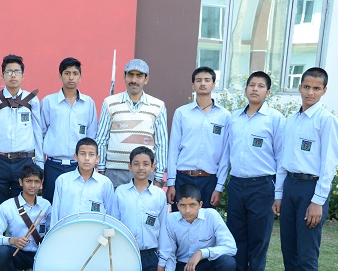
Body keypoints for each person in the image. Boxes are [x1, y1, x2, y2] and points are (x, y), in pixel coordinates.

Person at [259, 67, 338, 271]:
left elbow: (329, 165)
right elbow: (284, 160)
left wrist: (318, 201)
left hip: (311, 189)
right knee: (289, 249)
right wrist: (279, 194)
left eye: (316, 88)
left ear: (324, 91)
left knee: (307, 255)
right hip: (291, 187)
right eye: (306, 87)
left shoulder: (326, 121)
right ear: (300, 87)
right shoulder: (291, 120)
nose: (310, 92)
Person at [219, 71, 285, 271]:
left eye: (260, 86)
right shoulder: (234, 118)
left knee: (258, 239)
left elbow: (281, 157)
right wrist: (221, 184)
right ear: (246, 89)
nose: (255, 89)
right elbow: (226, 154)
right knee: (237, 236)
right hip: (237, 184)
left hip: (263, 186)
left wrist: (279, 193)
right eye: (251, 85)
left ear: (268, 92)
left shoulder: (275, 119)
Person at [0, 54, 42, 271]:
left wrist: (39, 167)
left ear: (23, 75)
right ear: (2, 74)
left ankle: (17, 263)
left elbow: (38, 134)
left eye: (17, 72)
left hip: (24, 163)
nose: (13, 75)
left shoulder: (33, 101)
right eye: (8, 72)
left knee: (21, 214)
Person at [157, 184, 236, 271]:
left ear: (200, 204)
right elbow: (169, 252)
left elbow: (231, 247)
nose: (187, 210)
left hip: (208, 263)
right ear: (177, 205)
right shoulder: (170, 220)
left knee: (228, 263)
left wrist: (201, 253)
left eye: (192, 205)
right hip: (184, 266)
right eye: (182, 205)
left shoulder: (211, 215)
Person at [95, 59, 168, 188]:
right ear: (124, 77)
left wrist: (158, 177)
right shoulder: (110, 103)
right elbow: (101, 139)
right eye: (130, 75)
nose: (134, 80)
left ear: (146, 79)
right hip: (114, 173)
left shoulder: (158, 106)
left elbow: (161, 143)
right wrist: (101, 170)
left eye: (139, 76)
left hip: (144, 173)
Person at [166, 66, 230, 211]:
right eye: (198, 80)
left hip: (209, 180)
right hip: (183, 178)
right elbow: (173, 149)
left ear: (214, 84)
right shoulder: (181, 113)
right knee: (180, 219)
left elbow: (225, 154)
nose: (202, 83)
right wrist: (171, 183)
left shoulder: (225, 116)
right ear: (193, 85)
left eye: (207, 80)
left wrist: (219, 187)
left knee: (205, 221)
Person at [0, 164, 51, 271]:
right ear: (20, 182)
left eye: (36, 181)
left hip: (40, 255)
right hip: (18, 254)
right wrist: (13, 240)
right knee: (2, 251)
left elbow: (52, 232)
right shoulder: (7, 206)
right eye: (28, 181)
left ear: (41, 183)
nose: (33, 185)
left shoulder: (46, 205)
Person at [40, 57, 97, 203]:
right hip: (53, 166)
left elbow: (91, 137)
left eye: (75, 73)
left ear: (80, 77)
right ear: (60, 76)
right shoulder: (49, 102)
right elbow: (41, 134)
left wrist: (91, 165)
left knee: (77, 205)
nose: (71, 77)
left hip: (79, 166)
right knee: (51, 206)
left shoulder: (88, 103)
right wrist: (40, 166)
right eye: (67, 73)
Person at [112, 146, 167, 271]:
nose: (141, 168)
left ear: (153, 167)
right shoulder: (120, 192)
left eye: (145, 164)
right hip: (125, 252)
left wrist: (162, 260)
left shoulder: (159, 194)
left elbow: (164, 229)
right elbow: (114, 224)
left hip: (150, 254)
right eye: (136, 164)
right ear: (130, 166)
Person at [51, 137, 115, 226]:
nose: (87, 158)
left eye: (91, 154)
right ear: (75, 157)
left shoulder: (105, 183)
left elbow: (110, 214)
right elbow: (55, 213)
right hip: (67, 232)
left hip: (95, 232)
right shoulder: (63, 180)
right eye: (82, 154)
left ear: (97, 158)